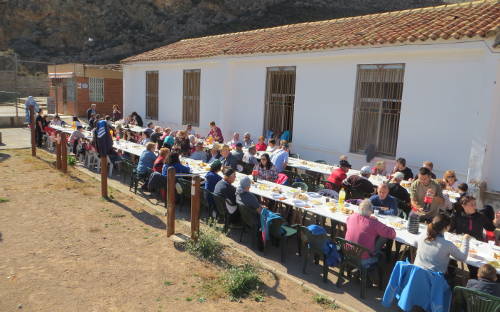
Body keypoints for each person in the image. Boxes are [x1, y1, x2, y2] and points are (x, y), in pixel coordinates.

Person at [345, 199, 396, 267]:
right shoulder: (374, 223)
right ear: (370, 211)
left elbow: (350, 222)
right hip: (363, 260)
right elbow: (392, 234)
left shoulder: (352, 216)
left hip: (347, 254)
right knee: (384, 237)